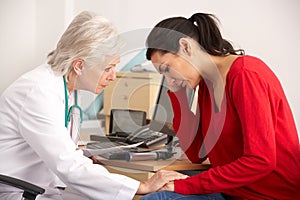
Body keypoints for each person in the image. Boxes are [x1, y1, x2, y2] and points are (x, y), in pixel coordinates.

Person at [0, 11, 187, 200]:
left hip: (43, 188)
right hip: (19, 192)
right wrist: (143, 186)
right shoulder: (38, 92)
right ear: (79, 65)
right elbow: (68, 165)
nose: (113, 76)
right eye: (108, 68)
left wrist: (82, 154)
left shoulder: (64, 89)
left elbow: (58, 148)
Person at [142, 13, 300, 199]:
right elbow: (196, 153)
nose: (169, 80)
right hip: (233, 192)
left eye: (167, 69)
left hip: (267, 195)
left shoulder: (245, 74)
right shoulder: (208, 83)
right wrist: (179, 98)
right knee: (158, 193)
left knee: (159, 197)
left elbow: (261, 161)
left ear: (186, 46)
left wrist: (183, 185)